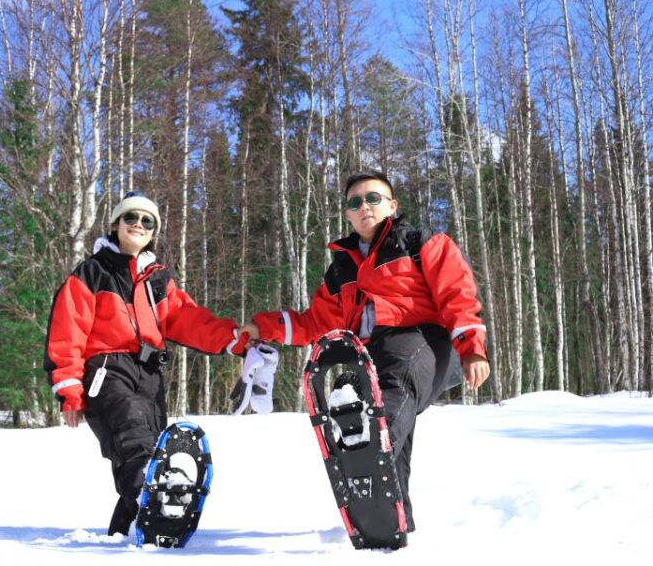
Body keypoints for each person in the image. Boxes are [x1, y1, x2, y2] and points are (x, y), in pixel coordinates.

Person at [241, 170, 489, 534]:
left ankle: (368, 442)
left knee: (390, 395)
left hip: (420, 339)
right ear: (348, 214)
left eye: (373, 198)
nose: (364, 207)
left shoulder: (421, 243)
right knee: (380, 421)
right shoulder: (341, 268)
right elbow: (315, 323)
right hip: (368, 353)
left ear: (391, 205)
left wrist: (473, 349)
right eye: (355, 202)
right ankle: (389, 521)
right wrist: (263, 327)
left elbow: (457, 294)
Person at [44, 191, 248, 536]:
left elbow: (190, 320)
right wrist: (69, 388)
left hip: (150, 375)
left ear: (153, 232)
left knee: (152, 453)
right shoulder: (92, 273)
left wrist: (237, 339)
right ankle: (150, 503)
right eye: (130, 218)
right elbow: (68, 330)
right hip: (106, 372)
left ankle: (126, 536)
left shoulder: (157, 279)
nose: (138, 224)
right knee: (133, 440)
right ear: (115, 224)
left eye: (147, 221)